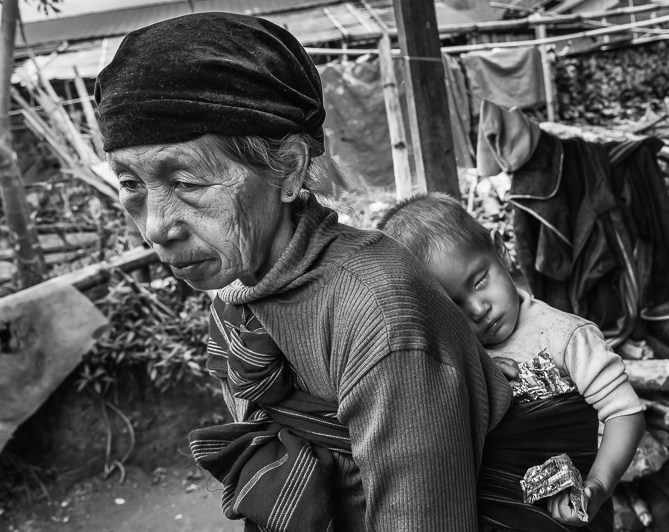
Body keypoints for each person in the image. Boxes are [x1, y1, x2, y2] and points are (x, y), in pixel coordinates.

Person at [94, 12, 516, 531]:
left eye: (186, 181)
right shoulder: (238, 292)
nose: (157, 227)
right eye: (131, 184)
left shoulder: (378, 314)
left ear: (289, 169)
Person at [378, 192, 646, 530]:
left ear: (500, 249)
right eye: (453, 306)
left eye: (480, 281)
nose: (478, 309)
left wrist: (598, 485)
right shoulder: (448, 361)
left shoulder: (565, 337)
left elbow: (625, 413)